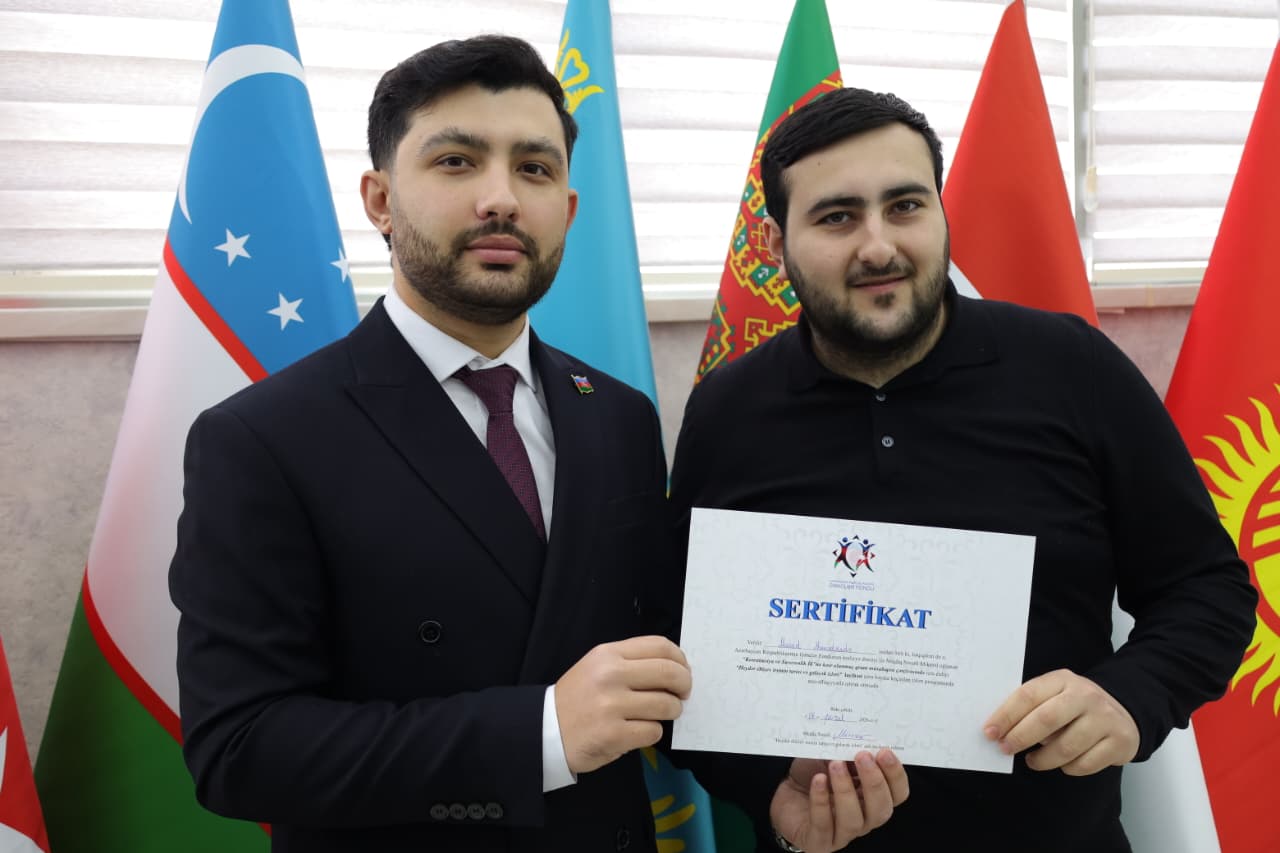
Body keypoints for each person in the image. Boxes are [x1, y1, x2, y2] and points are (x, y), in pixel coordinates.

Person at [169, 36, 904, 853]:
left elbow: (664, 653)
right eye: (456, 161)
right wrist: (540, 733)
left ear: (570, 208)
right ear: (379, 200)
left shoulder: (619, 416)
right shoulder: (261, 439)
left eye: (534, 168)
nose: (502, 200)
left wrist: (780, 783)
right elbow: (237, 748)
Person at [668, 86, 1257, 851]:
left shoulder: (1073, 368)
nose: (878, 246)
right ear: (776, 241)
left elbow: (1207, 586)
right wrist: (769, 794)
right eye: (837, 216)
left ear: (942, 213)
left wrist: (1133, 695)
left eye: (905, 206)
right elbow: (680, 647)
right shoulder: (727, 411)